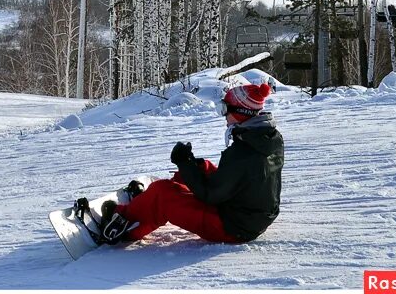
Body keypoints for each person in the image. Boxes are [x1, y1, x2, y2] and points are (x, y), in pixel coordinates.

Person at [98, 81, 284, 246]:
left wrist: (184, 164)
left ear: (241, 112)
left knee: (162, 195)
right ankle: (143, 205)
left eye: (225, 109)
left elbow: (209, 195)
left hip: (233, 227)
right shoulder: (267, 140)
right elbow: (239, 178)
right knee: (196, 172)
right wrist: (195, 166)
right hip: (249, 218)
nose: (224, 116)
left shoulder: (243, 152)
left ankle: (123, 227)